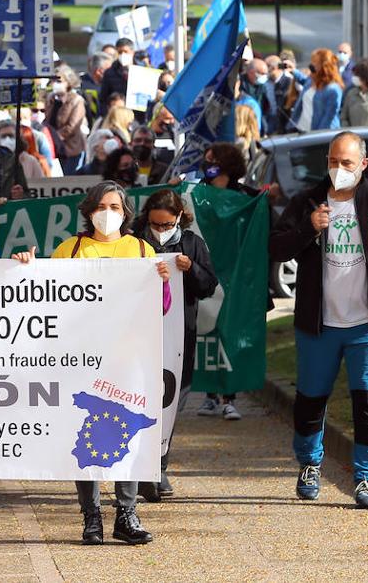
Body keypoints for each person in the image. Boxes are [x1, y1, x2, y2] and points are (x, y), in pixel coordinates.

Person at [11, 181, 171, 545]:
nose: (108, 213)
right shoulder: (71, 249)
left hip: (128, 359)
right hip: (82, 360)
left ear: (126, 212)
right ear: (89, 210)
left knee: (128, 430)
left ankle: (127, 513)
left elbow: (160, 308)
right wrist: (27, 268)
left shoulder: (142, 249)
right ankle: (92, 516)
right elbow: (47, 299)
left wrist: (161, 284)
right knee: (86, 434)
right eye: (102, 206)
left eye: (115, 206)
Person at [269, 131, 368, 508]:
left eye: (347, 163)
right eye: (334, 162)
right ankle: (309, 464)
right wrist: (309, 228)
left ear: (364, 164)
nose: (339, 169)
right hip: (319, 323)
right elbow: (276, 246)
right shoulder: (307, 202)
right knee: (310, 399)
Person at [133, 188, 218, 500]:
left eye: (168, 225)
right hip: (140, 335)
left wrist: (191, 269)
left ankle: (160, 465)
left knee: (171, 402)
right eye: (156, 224)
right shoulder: (135, 242)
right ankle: (142, 468)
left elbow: (209, 284)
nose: (161, 231)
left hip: (179, 336)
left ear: (180, 218)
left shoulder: (192, 243)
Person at [194, 142, 256, 420]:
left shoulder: (245, 197)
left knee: (228, 334)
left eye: (212, 161)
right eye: (206, 161)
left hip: (234, 276)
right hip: (206, 272)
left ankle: (229, 396)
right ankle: (209, 395)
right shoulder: (198, 194)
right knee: (206, 332)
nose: (207, 166)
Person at [290, 48, 344, 132]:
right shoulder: (312, 80)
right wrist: (293, 71)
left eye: (314, 62)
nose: (311, 65)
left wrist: (316, 136)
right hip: (303, 130)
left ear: (324, 67)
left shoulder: (333, 89)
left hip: (320, 135)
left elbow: (328, 117)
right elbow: (304, 80)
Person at [48, 67, 87, 175]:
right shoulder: (50, 98)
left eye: (59, 81)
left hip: (71, 149)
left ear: (68, 82)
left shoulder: (77, 100)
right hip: (53, 148)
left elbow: (72, 127)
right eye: (53, 81)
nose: (55, 84)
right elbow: (47, 121)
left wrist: (54, 138)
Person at [241, 58, 278, 135]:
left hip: (262, 126)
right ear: (251, 72)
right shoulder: (240, 84)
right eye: (262, 73)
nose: (264, 76)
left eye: (266, 74)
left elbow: (270, 108)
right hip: (246, 126)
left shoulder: (266, 86)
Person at [99, 38, 135, 113]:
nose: (123, 55)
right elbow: (103, 98)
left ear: (132, 52)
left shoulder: (142, 71)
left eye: (125, 51)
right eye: (120, 52)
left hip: (138, 116)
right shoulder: (110, 73)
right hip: (117, 114)